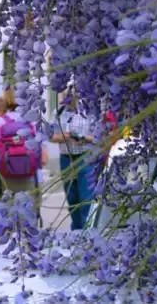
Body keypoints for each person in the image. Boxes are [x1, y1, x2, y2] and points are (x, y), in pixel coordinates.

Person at [0, 92, 50, 214]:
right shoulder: (35, 123)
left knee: (4, 227)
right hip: (31, 180)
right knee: (28, 226)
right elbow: (44, 159)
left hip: (0, 182)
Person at [49, 84, 97, 230]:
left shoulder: (89, 113)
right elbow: (50, 135)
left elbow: (98, 137)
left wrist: (85, 138)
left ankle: (87, 230)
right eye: (66, 95)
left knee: (86, 197)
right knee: (72, 197)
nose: (67, 98)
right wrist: (65, 137)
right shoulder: (57, 112)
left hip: (85, 156)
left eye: (72, 96)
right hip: (66, 158)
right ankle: (76, 230)